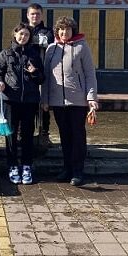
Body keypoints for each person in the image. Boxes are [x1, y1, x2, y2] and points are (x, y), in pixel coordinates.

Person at [41, 16, 99, 186]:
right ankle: (67, 168)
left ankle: (78, 171)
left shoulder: (82, 47)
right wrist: (45, 99)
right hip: (58, 101)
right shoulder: (51, 49)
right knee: (64, 136)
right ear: (57, 31)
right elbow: (46, 77)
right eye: (61, 29)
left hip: (78, 101)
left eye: (67, 29)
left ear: (73, 31)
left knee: (77, 136)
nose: (64, 32)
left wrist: (91, 97)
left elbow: (90, 74)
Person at [0, 22, 44, 185]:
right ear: (15, 34)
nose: (23, 37)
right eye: (21, 34)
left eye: (27, 34)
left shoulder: (34, 55)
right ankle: (13, 165)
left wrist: (34, 72)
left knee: (28, 134)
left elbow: (42, 78)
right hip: (11, 100)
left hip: (30, 100)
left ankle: (27, 165)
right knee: (11, 134)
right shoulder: (5, 54)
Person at [26, 3, 54, 147]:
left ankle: (44, 134)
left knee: (44, 105)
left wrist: (32, 40)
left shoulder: (48, 31)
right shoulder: (23, 29)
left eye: (37, 14)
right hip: (26, 73)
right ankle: (23, 135)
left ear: (42, 15)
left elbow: (48, 41)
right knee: (26, 105)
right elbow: (17, 41)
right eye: (32, 14)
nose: (35, 16)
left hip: (42, 72)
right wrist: (36, 40)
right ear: (28, 15)